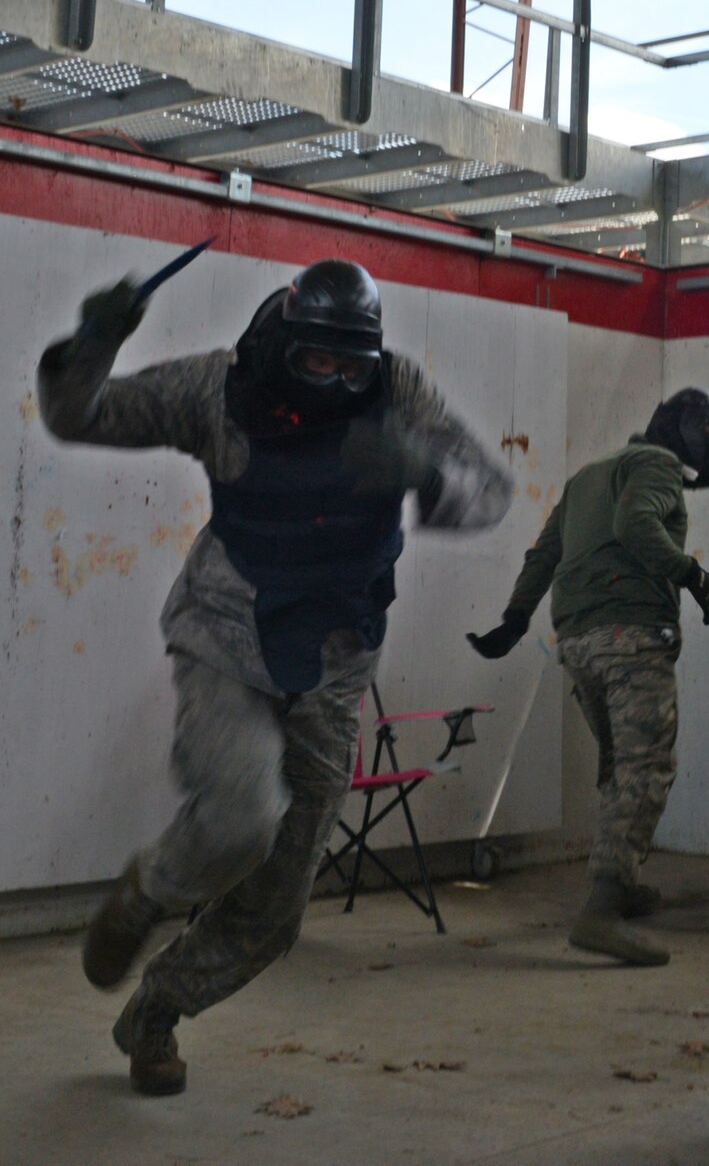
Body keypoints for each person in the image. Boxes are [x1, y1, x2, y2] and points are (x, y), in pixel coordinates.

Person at [39, 258, 512, 1097]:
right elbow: (82, 417)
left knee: (279, 905)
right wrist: (92, 345)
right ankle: (149, 891)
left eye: (350, 365)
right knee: (241, 816)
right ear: (287, 344)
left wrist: (424, 471)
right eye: (317, 362)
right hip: (228, 631)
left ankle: (156, 1013)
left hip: (335, 658)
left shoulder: (396, 389)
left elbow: (492, 492)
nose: (336, 381)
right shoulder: (221, 387)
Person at [469, 388, 709, 966]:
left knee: (619, 769)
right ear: (685, 432)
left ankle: (623, 881)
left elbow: (543, 555)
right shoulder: (656, 466)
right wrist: (694, 576)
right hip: (632, 637)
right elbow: (637, 524)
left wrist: (515, 619)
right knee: (647, 769)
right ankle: (602, 910)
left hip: (580, 644)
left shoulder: (589, 475)